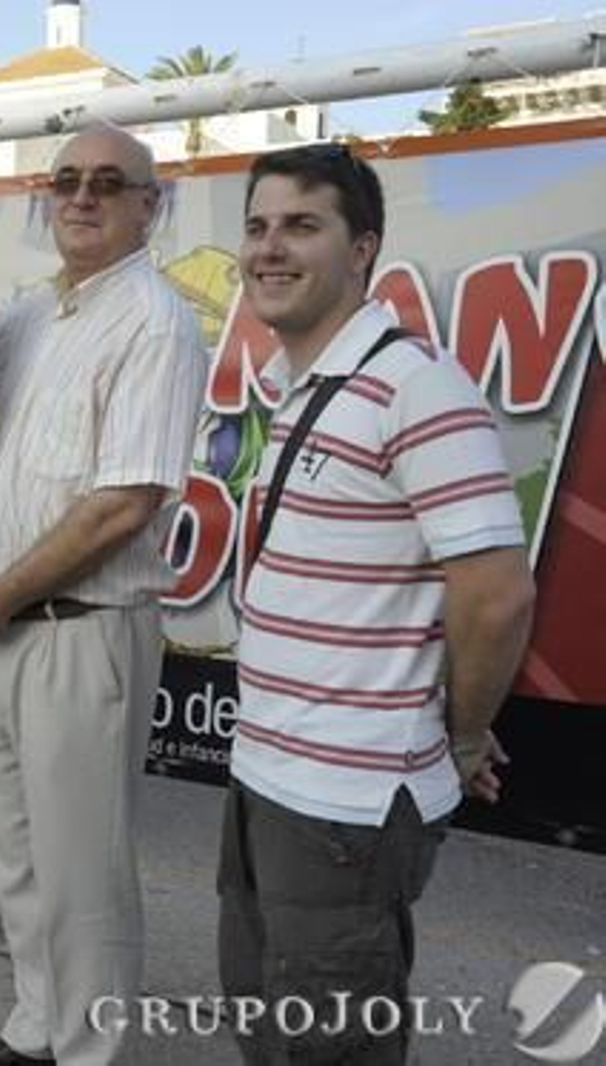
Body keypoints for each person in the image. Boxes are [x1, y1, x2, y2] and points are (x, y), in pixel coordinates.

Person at [219, 144, 535, 1063]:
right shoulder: (303, 388)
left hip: (345, 805)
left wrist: (464, 734)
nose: (271, 249)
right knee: (268, 1023)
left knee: (331, 1044)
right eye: (258, 226)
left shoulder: (417, 388)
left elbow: (497, 593)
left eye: (303, 226)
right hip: (267, 774)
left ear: (364, 249)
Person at [0, 125, 208, 1065]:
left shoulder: (155, 320)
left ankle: (88, 1052)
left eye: (107, 182)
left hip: (80, 631)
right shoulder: (43, 311)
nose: (82, 197)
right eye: (65, 181)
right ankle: (35, 1030)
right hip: (7, 625)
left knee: (82, 872)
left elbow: (121, 507)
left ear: (149, 205)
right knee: (17, 853)